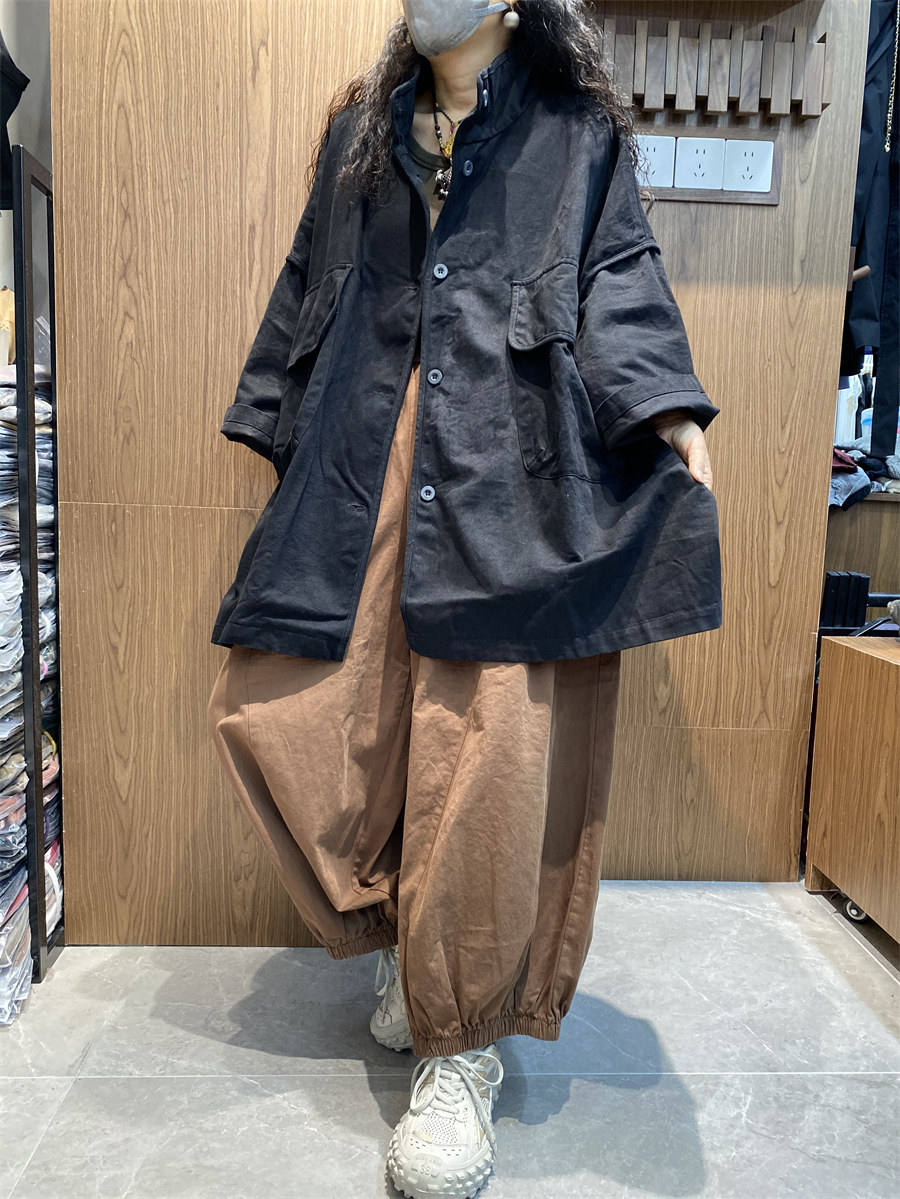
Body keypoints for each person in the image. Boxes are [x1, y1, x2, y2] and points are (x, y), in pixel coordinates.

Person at [207, 2, 722, 1197]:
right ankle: (409, 940)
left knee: (488, 745)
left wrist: (670, 415)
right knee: (302, 705)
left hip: (511, 464)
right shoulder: (360, 128)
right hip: (368, 454)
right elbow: (309, 278)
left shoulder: (575, 131)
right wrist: (277, 419)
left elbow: (619, 276)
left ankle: (461, 1044)